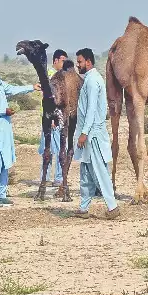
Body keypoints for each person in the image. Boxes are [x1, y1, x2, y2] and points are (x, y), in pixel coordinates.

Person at [0, 52, 41, 209]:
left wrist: (32, 87)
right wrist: (3, 111)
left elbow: (12, 89)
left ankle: (1, 194)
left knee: (5, 161)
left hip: (4, 129)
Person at [72, 48, 120, 219]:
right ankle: (84, 208)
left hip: (93, 135)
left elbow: (92, 109)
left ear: (88, 62)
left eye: (80, 62)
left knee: (100, 171)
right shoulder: (90, 79)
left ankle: (112, 207)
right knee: (85, 171)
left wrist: (84, 133)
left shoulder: (93, 81)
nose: (78, 65)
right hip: (88, 133)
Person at [38, 49, 67, 187]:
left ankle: (53, 177)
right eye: (62, 60)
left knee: (57, 147)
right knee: (51, 147)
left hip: (57, 117)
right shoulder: (51, 75)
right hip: (52, 117)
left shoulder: (62, 75)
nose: (64, 63)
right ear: (55, 60)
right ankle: (51, 177)